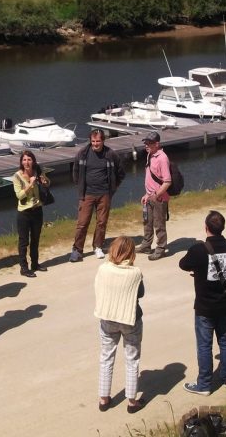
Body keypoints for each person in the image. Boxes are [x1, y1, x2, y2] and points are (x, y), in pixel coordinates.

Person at [179, 211, 226, 395]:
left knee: (205, 345)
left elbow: (183, 264)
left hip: (205, 306)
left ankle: (204, 384)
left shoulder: (199, 249)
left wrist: (198, 270)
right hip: (225, 304)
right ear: (223, 228)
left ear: (206, 228)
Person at [94, 236, 146, 414]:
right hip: (130, 319)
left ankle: (104, 398)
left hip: (108, 318)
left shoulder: (103, 269)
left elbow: (98, 288)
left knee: (106, 358)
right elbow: (141, 293)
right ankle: (131, 402)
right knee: (132, 360)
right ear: (131, 254)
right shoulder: (135, 273)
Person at [70, 129, 125, 262]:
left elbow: (121, 172)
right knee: (82, 223)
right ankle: (77, 250)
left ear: (103, 141)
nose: (95, 144)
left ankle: (98, 246)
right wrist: (80, 186)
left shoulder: (111, 154)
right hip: (87, 194)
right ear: (90, 141)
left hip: (104, 194)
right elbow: (75, 172)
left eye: (98, 141)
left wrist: (113, 187)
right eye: (93, 141)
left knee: (101, 222)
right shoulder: (83, 153)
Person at [13, 150, 50, 278]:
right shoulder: (17, 176)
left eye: (29, 160)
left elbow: (47, 183)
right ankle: (24, 267)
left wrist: (45, 182)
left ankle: (35, 263)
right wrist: (30, 184)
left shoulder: (38, 171)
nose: (27, 162)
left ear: (33, 161)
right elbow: (19, 195)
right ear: (21, 162)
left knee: (35, 239)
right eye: (24, 160)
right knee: (24, 241)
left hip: (37, 210)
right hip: (24, 213)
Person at [137, 131, 171, 261]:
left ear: (157, 144)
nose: (146, 145)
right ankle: (146, 245)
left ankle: (161, 249)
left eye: (149, 143)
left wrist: (156, 195)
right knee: (147, 222)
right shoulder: (150, 155)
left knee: (159, 224)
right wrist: (147, 194)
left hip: (159, 197)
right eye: (145, 143)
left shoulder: (162, 158)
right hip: (150, 196)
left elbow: (167, 181)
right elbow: (152, 178)